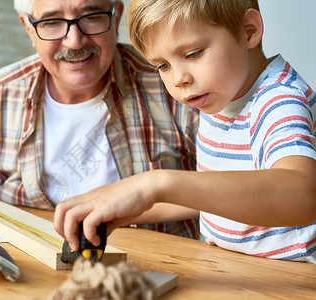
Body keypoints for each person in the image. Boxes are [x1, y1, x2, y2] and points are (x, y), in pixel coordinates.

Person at [54, 0, 316, 263]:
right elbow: (213, 194)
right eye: (163, 65)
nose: (179, 78)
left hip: (291, 279)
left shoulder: (278, 100)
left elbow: (303, 196)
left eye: (193, 54)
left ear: (249, 30)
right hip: (237, 270)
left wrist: (154, 183)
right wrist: (121, 208)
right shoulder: (225, 94)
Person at [0, 0, 201, 239]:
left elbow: (236, 184)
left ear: (116, 18)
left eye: (91, 16)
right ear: (29, 28)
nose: (74, 41)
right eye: (51, 23)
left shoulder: (173, 84)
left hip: (159, 276)